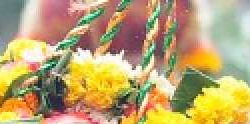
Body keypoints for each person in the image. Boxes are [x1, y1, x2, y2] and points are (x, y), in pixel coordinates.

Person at [17, 0, 222, 74]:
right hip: (75, 111)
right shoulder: (55, 6)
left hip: (157, 115)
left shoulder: (182, 7)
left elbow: (199, 68)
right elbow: (26, 62)